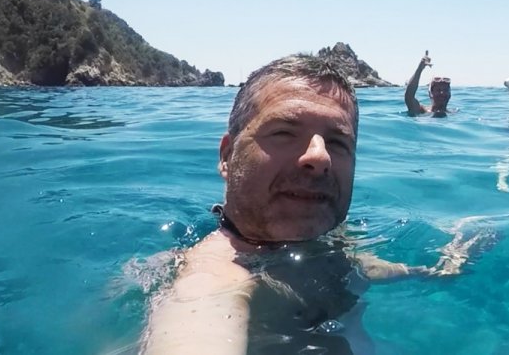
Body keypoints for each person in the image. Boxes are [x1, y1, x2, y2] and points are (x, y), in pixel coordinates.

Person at [143, 54, 484, 355]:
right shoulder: (210, 281)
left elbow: (354, 266)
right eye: (284, 133)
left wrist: (442, 265)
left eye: (337, 142)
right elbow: (195, 323)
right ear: (227, 157)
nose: (319, 157)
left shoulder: (322, 248)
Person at [405, 50, 451, 117]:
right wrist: (420, 69)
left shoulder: (454, 113)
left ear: (450, 94)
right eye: (438, 90)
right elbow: (409, 96)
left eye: (445, 90)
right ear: (430, 94)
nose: (442, 93)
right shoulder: (422, 111)